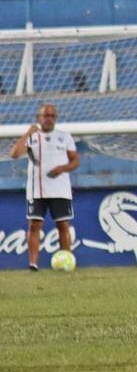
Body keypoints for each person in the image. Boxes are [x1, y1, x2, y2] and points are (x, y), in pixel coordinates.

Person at [9, 102, 80, 271]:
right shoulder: (31, 137)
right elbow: (14, 154)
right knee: (34, 226)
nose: (49, 119)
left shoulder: (65, 137)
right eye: (45, 115)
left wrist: (62, 169)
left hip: (60, 189)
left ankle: (67, 261)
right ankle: (33, 264)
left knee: (63, 225)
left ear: (56, 118)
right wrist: (28, 133)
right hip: (36, 189)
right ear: (38, 118)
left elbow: (75, 161)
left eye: (52, 116)